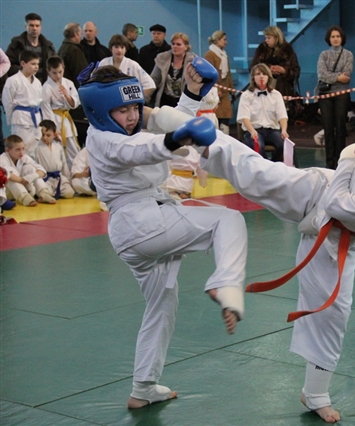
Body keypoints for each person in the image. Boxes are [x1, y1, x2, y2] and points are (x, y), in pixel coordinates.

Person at [199, 104, 355, 423]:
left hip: (333, 236)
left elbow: (335, 203)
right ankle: (196, 136)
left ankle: (315, 393)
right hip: (318, 188)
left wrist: (348, 159)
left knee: (332, 315)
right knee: (259, 173)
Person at [77, 58, 248, 409]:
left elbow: (167, 125)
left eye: (134, 108)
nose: (131, 116)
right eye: (122, 111)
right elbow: (145, 148)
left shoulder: (123, 129)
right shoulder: (105, 140)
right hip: (143, 222)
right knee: (228, 220)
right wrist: (177, 139)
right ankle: (226, 283)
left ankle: (143, 387)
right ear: (100, 112)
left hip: (134, 230)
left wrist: (192, 94)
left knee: (162, 304)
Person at [316, 25, 353, 169]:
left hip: (342, 95)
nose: (336, 39)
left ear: (342, 38)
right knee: (328, 129)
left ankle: (340, 161)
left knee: (340, 127)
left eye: (338, 36)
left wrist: (331, 76)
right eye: (333, 36)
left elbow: (347, 75)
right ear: (329, 39)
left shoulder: (348, 55)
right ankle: (329, 162)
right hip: (325, 96)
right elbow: (322, 75)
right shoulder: (323, 55)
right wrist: (338, 77)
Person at [237, 63, 288, 162]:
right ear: (253, 78)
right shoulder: (246, 96)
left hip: (272, 130)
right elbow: (245, 117)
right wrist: (252, 131)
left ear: (268, 77)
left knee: (284, 145)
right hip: (253, 130)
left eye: (264, 74)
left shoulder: (276, 95)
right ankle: (265, 166)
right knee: (258, 146)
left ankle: (273, 165)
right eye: (258, 74)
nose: (261, 76)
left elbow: (282, 116)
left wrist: (284, 130)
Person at [41, 56, 82, 169]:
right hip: (55, 119)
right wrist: (52, 129)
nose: (58, 76)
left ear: (63, 68)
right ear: (48, 71)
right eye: (54, 73)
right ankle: (63, 173)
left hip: (67, 119)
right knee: (59, 150)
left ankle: (77, 172)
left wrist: (67, 96)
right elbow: (46, 109)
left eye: (60, 72)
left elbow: (75, 103)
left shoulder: (68, 83)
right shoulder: (46, 87)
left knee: (73, 148)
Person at [250, 26, 300, 114]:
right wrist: (267, 69)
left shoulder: (288, 51)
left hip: (283, 89)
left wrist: (284, 71)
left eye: (269, 38)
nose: (266, 40)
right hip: (263, 89)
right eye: (266, 38)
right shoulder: (262, 51)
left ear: (276, 37)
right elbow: (252, 68)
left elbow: (296, 71)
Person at [2, 50, 43, 157]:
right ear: (23, 63)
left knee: (35, 150)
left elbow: (40, 101)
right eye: (33, 64)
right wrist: (11, 119)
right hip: (20, 119)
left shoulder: (37, 82)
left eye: (37, 64)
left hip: (36, 118)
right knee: (21, 149)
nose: (36, 67)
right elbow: (7, 102)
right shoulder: (13, 80)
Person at [0, 134, 56, 205]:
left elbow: (42, 171)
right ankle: (25, 198)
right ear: (7, 150)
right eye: (18, 150)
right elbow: (7, 174)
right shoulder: (2, 158)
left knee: (29, 168)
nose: (21, 152)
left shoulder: (24, 157)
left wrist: (31, 177)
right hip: (7, 191)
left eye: (23, 149)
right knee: (8, 177)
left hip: (23, 187)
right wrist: (22, 180)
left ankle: (44, 194)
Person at [98, 35, 156, 103]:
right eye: (116, 47)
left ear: (126, 49)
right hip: (107, 100)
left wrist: (138, 100)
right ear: (111, 48)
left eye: (122, 47)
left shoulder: (133, 65)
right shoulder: (104, 63)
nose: (119, 50)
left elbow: (150, 85)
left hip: (127, 103)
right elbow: (95, 83)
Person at [6, 13, 56, 84]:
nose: (34, 28)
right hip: (23, 85)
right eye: (31, 25)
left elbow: (56, 65)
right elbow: (8, 66)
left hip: (44, 85)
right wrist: (24, 70)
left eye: (37, 26)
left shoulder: (48, 46)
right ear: (25, 26)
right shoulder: (16, 45)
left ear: (41, 27)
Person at [150, 33, 196, 108]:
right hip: (164, 101)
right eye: (173, 44)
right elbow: (153, 80)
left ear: (186, 47)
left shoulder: (193, 61)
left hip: (183, 101)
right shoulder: (163, 58)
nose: (175, 46)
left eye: (178, 44)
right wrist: (145, 98)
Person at [204, 30, 234, 135]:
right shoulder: (210, 55)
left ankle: (225, 137)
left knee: (226, 117)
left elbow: (228, 73)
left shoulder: (224, 55)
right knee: (216, 117)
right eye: (224, 39)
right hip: (215, 93)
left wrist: (232, 89)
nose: (226, 42)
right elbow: (208, 74)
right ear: (217, 40)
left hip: (225, 92)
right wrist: (216, 90)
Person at [34, 119, 74, 199]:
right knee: (45, 191)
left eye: (48, 135)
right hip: (45, 178)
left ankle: (52, 193)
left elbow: (64, 164)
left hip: (58, 177)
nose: (45, 138)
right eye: (42, 135)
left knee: (69, 193)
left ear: (54, 135)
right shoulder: (37, 148)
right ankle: (48, 194)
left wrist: (68, 179)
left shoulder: (58, 147)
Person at [57, 23, 89, 88]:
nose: (81, 37)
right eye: (80, 33)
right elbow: (81, 73)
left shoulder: (61, 49)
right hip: (74, 89)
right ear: (75, 34)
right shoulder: (74, 50)